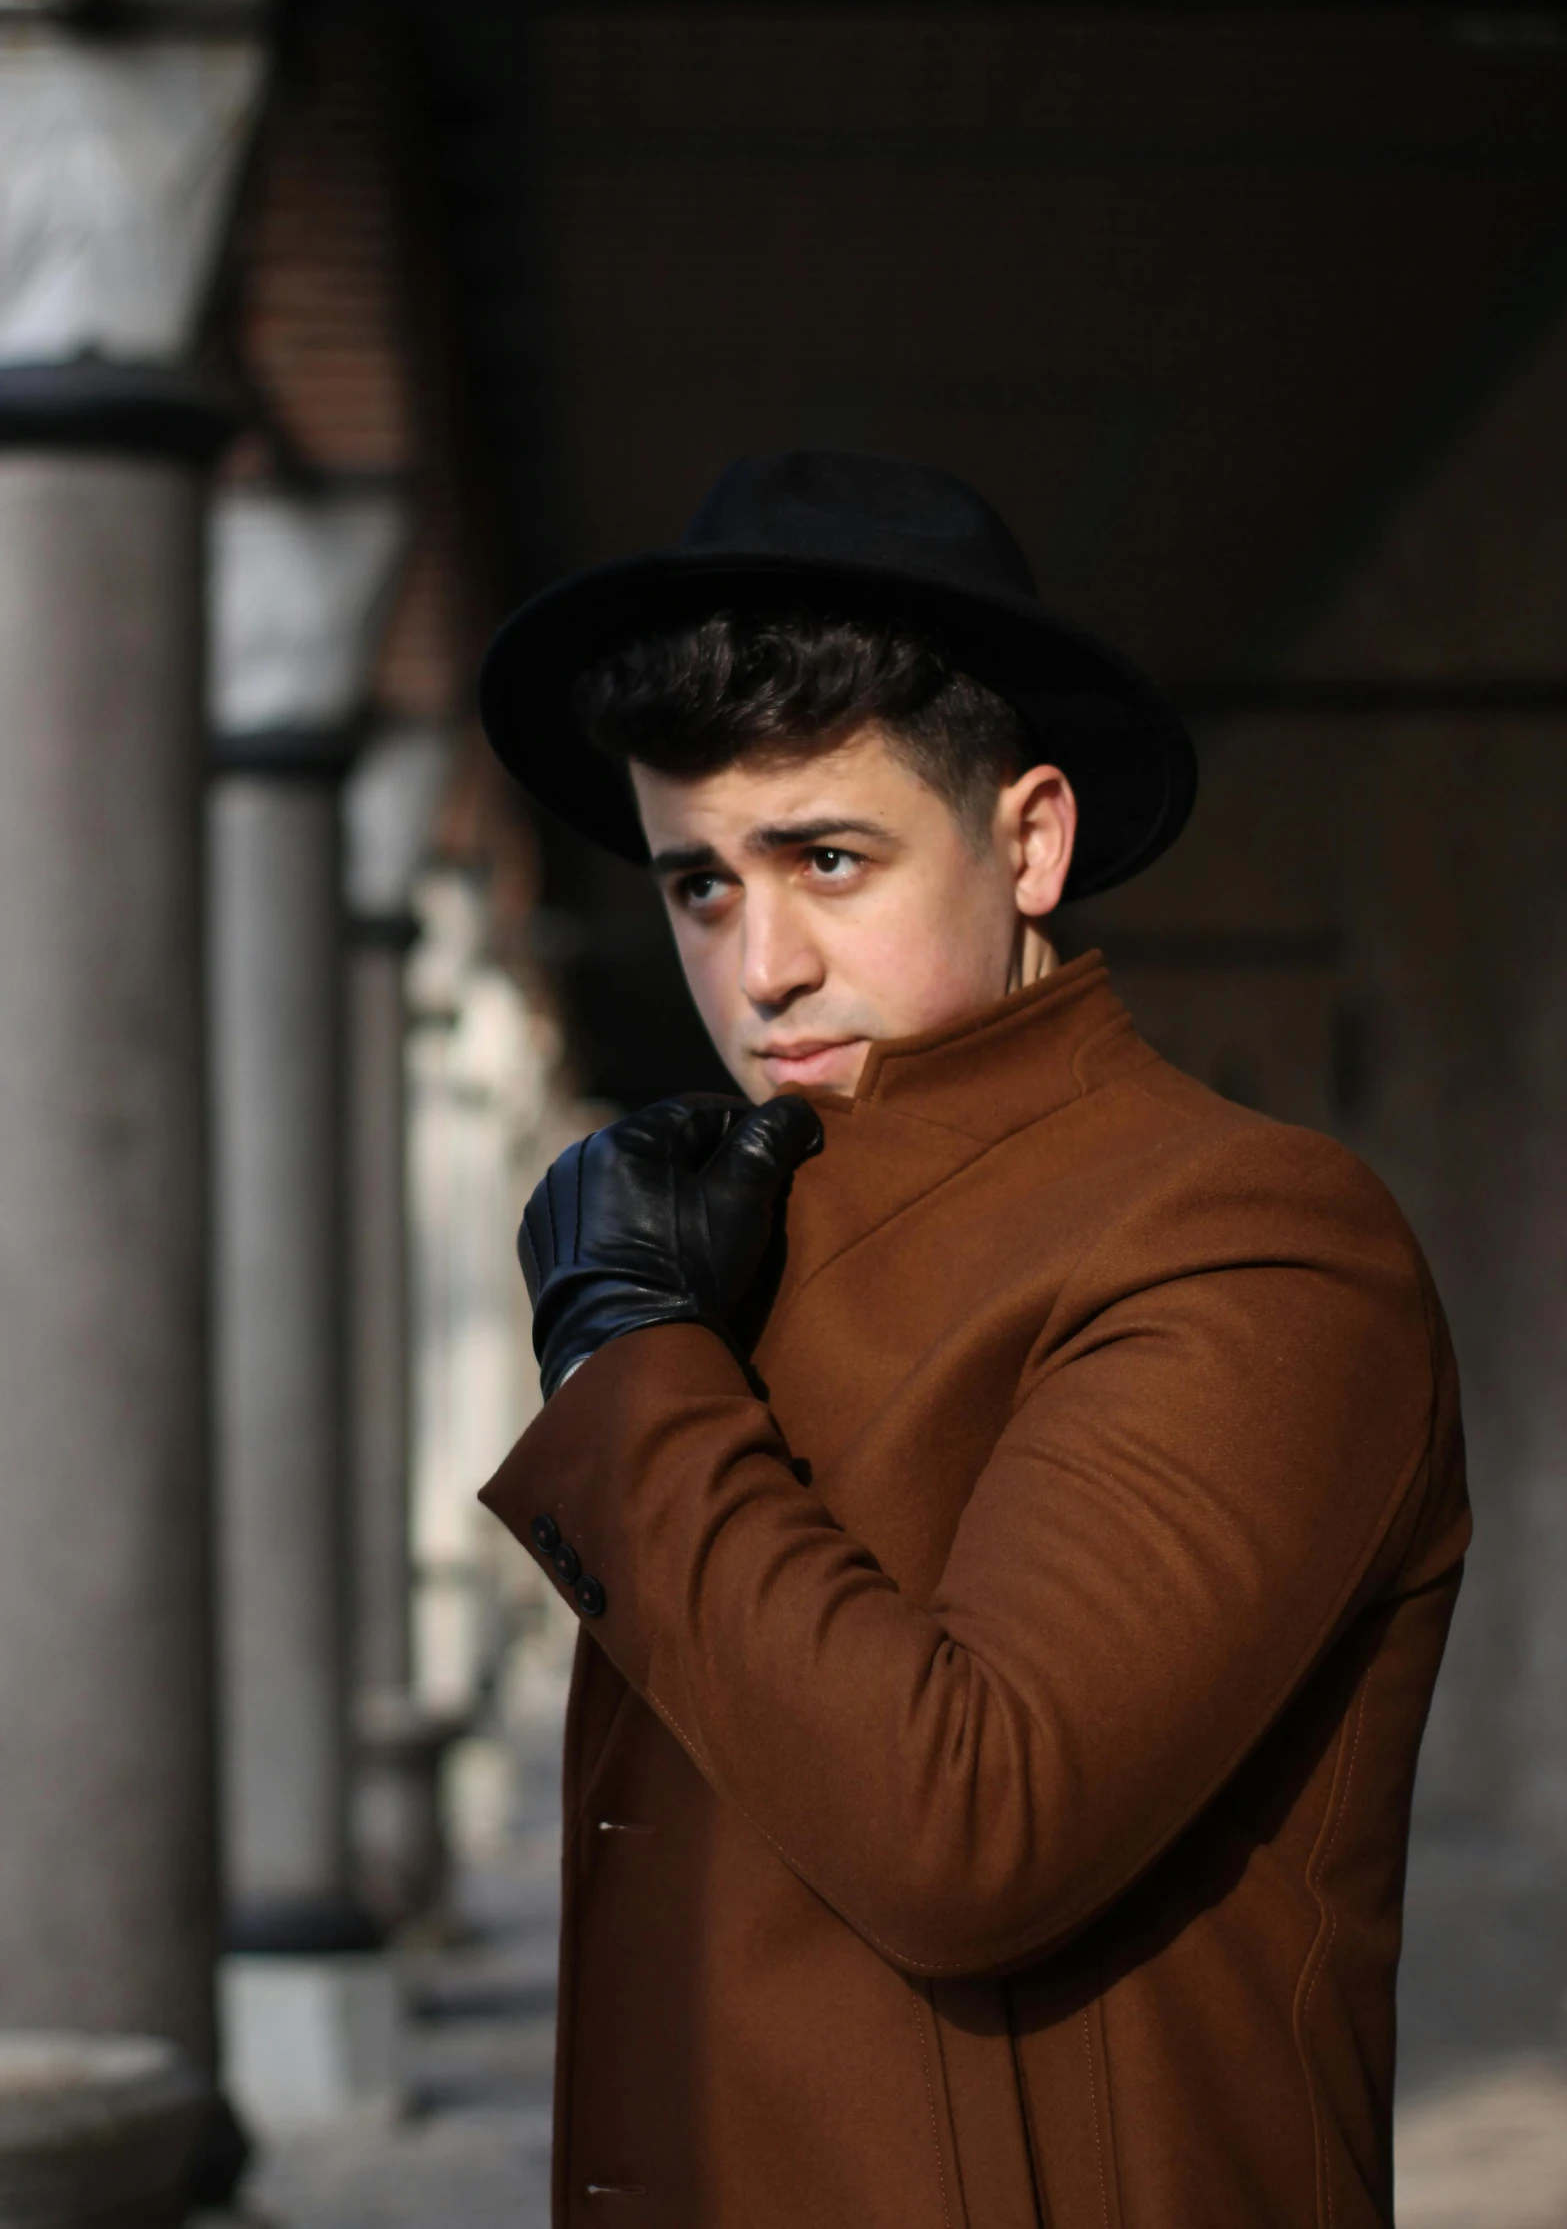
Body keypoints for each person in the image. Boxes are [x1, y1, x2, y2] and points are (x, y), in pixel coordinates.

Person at [475, 450, 1468, 2229]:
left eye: (827, 857)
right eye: (697, 884)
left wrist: (623, 1359)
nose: (758, 960)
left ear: (1027, 841)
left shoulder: (1248, 1239)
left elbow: (971, 1830)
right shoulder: (747, 1251)